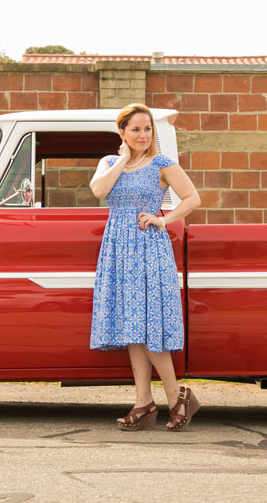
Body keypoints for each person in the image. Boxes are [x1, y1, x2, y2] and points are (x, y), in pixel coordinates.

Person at [89, 103, 202, 431]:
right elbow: (98, 190)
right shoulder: (110, 162)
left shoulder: (162, 164)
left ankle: (176, 395)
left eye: (147, 129)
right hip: (117, 250)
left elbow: (192, 197)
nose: (143, 135)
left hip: (148, 248)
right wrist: (124, 158)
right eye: (135, 129)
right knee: (131, 327)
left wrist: (163, 219)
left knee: (148, 326)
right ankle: (144, 401)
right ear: (122, 132)